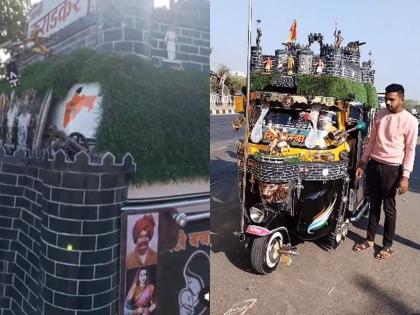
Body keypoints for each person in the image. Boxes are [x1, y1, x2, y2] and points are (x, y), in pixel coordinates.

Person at [353, 84, 418, 259]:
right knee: (373, 205)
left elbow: (411, 150)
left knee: (389, 208)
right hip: (374, 165)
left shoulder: (410, 121)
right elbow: (372, 140)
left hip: (392, 170)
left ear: (401, 99)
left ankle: (387, 245)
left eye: (392, 99)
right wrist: (362, 161)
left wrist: (405, 176)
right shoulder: (380, 116)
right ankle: (369, 240)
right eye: (386, 99)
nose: (388, 102)